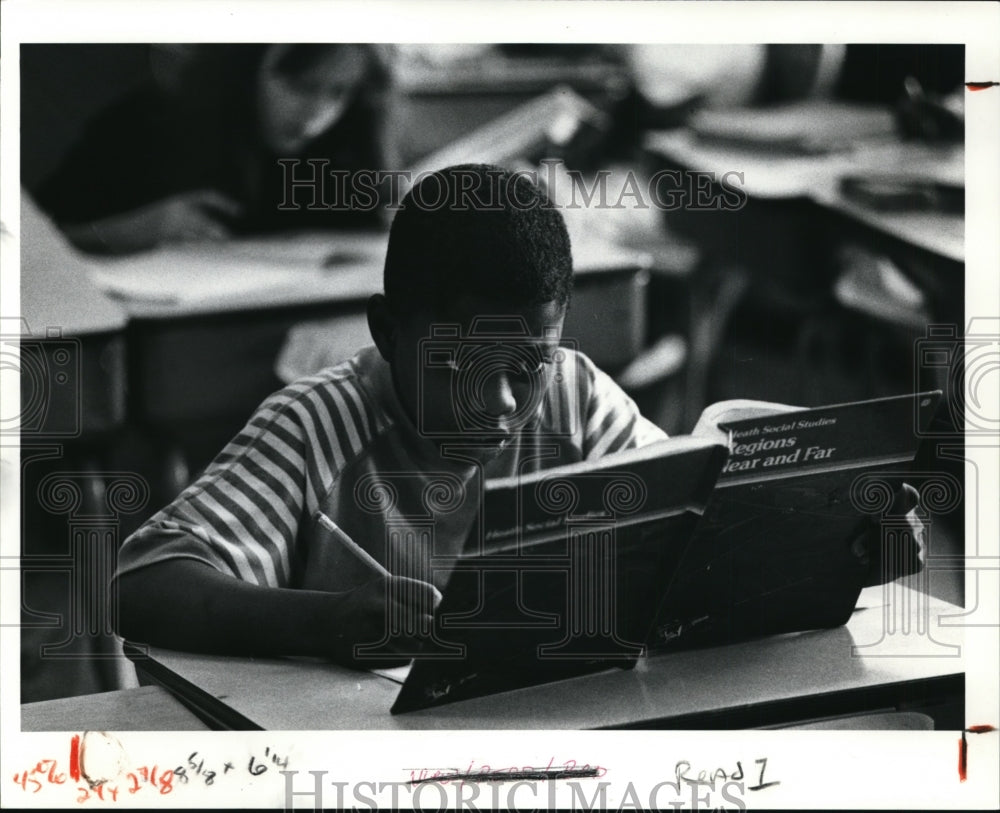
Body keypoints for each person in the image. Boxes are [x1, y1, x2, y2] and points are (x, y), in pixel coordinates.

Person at [111, 165, 924, 667]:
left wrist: (833, 546)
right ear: (389, 332)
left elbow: (695, 534)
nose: (500, 409)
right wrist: (326, 621)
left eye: (526, 368)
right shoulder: (319, 426)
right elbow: (143, 584)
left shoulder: (570, 396)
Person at [33, 44, 397, 254]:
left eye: (339, 92)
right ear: (246, 68)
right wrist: (126, 231)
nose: (317, 112)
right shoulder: (148, 124)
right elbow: (30, 242)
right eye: (299, 85)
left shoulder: (347, 142)